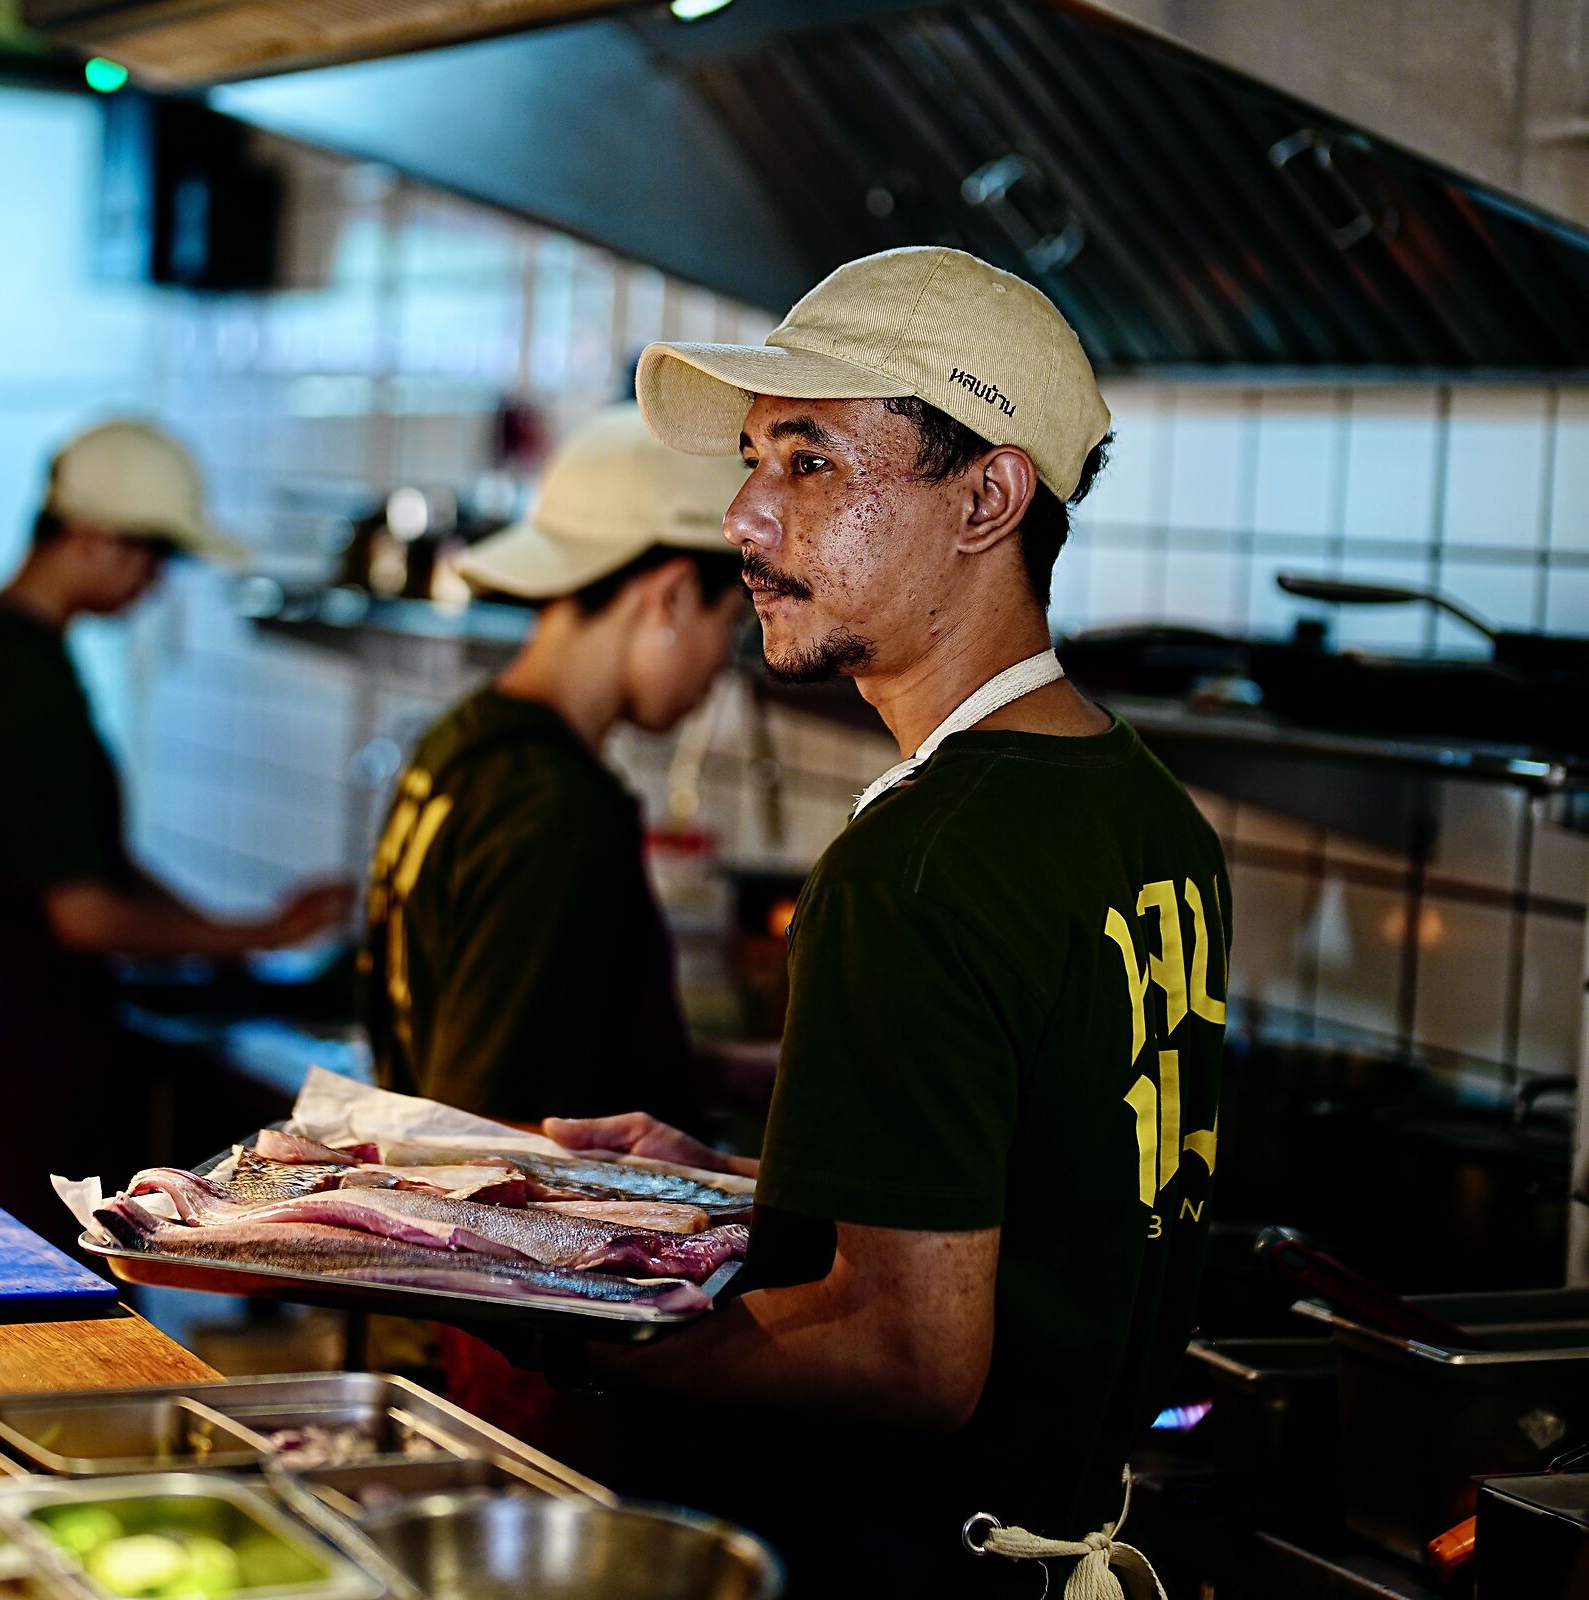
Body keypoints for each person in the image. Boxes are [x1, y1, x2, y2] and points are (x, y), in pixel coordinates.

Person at [540, 247, 1229, 1596]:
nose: (742, 515)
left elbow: (910, 1354)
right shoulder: (1146, 815)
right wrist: (749, 1189)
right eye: (752, 461)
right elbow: (1029, 1221)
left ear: (987, 497)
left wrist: (586, 1330)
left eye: (809, 465)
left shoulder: (909, 869)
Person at [0, 419, 350, 1245]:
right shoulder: (20, 677)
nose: (155, 585)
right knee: (13, 1316)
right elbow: (82, 911)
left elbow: (88, 859)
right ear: (92, 540)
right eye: (154, 558)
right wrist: (254, 930)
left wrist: (234, 936)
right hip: (6, 1049)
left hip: (9, 1035)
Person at [361, 404, 753, 1134]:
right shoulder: (556, 810)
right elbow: (490, 1128)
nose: (717, 669)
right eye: (728, 624)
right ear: (669, 596)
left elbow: (546, 1040)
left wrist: (735, 1073)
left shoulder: (464, 743)